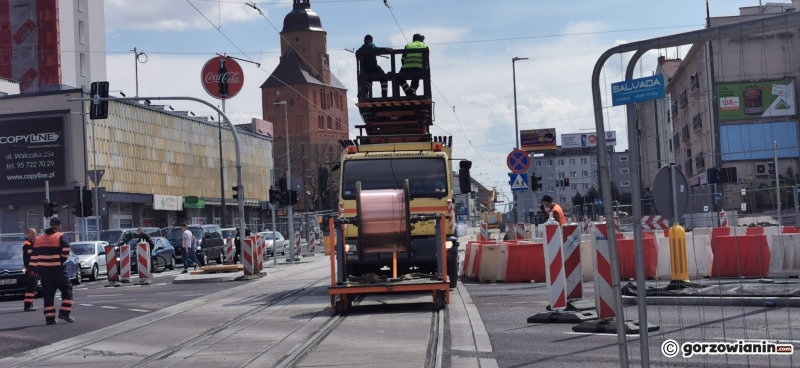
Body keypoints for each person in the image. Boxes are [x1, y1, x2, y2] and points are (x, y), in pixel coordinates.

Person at [29, 218, 74, 325]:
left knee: (48, 295)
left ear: (50, 225)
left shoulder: (39, 239)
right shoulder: (60, 236)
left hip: (44, 272)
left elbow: (33, 255)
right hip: (57, 269)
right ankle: (64, 312)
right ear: (58, 226)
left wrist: (33, 269)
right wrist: (61, 259)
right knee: (67, 289)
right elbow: (66, 248)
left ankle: (50, 318)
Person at [357, 34, 392, 98]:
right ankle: (384, 95)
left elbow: (357, 53)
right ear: (371, 40)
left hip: (364, 70)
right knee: (383, 77)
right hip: (373, 67)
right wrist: (386, 49)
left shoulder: (362, 47)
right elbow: (376, 50)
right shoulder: (371, 45)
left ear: (364, 40)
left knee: (368, 80)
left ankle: (362, 92)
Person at [22, 228, 38, 312]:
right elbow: (28, 258)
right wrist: (30, 269)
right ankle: (27, 305)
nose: (35, 235)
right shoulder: (27, 244)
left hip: (33, 268)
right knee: (30, 287)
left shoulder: (31, 243)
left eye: (35, 233)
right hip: (30, 269)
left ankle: (30, 304)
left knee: (33, 287)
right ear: (28, 234)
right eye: (33, 234)